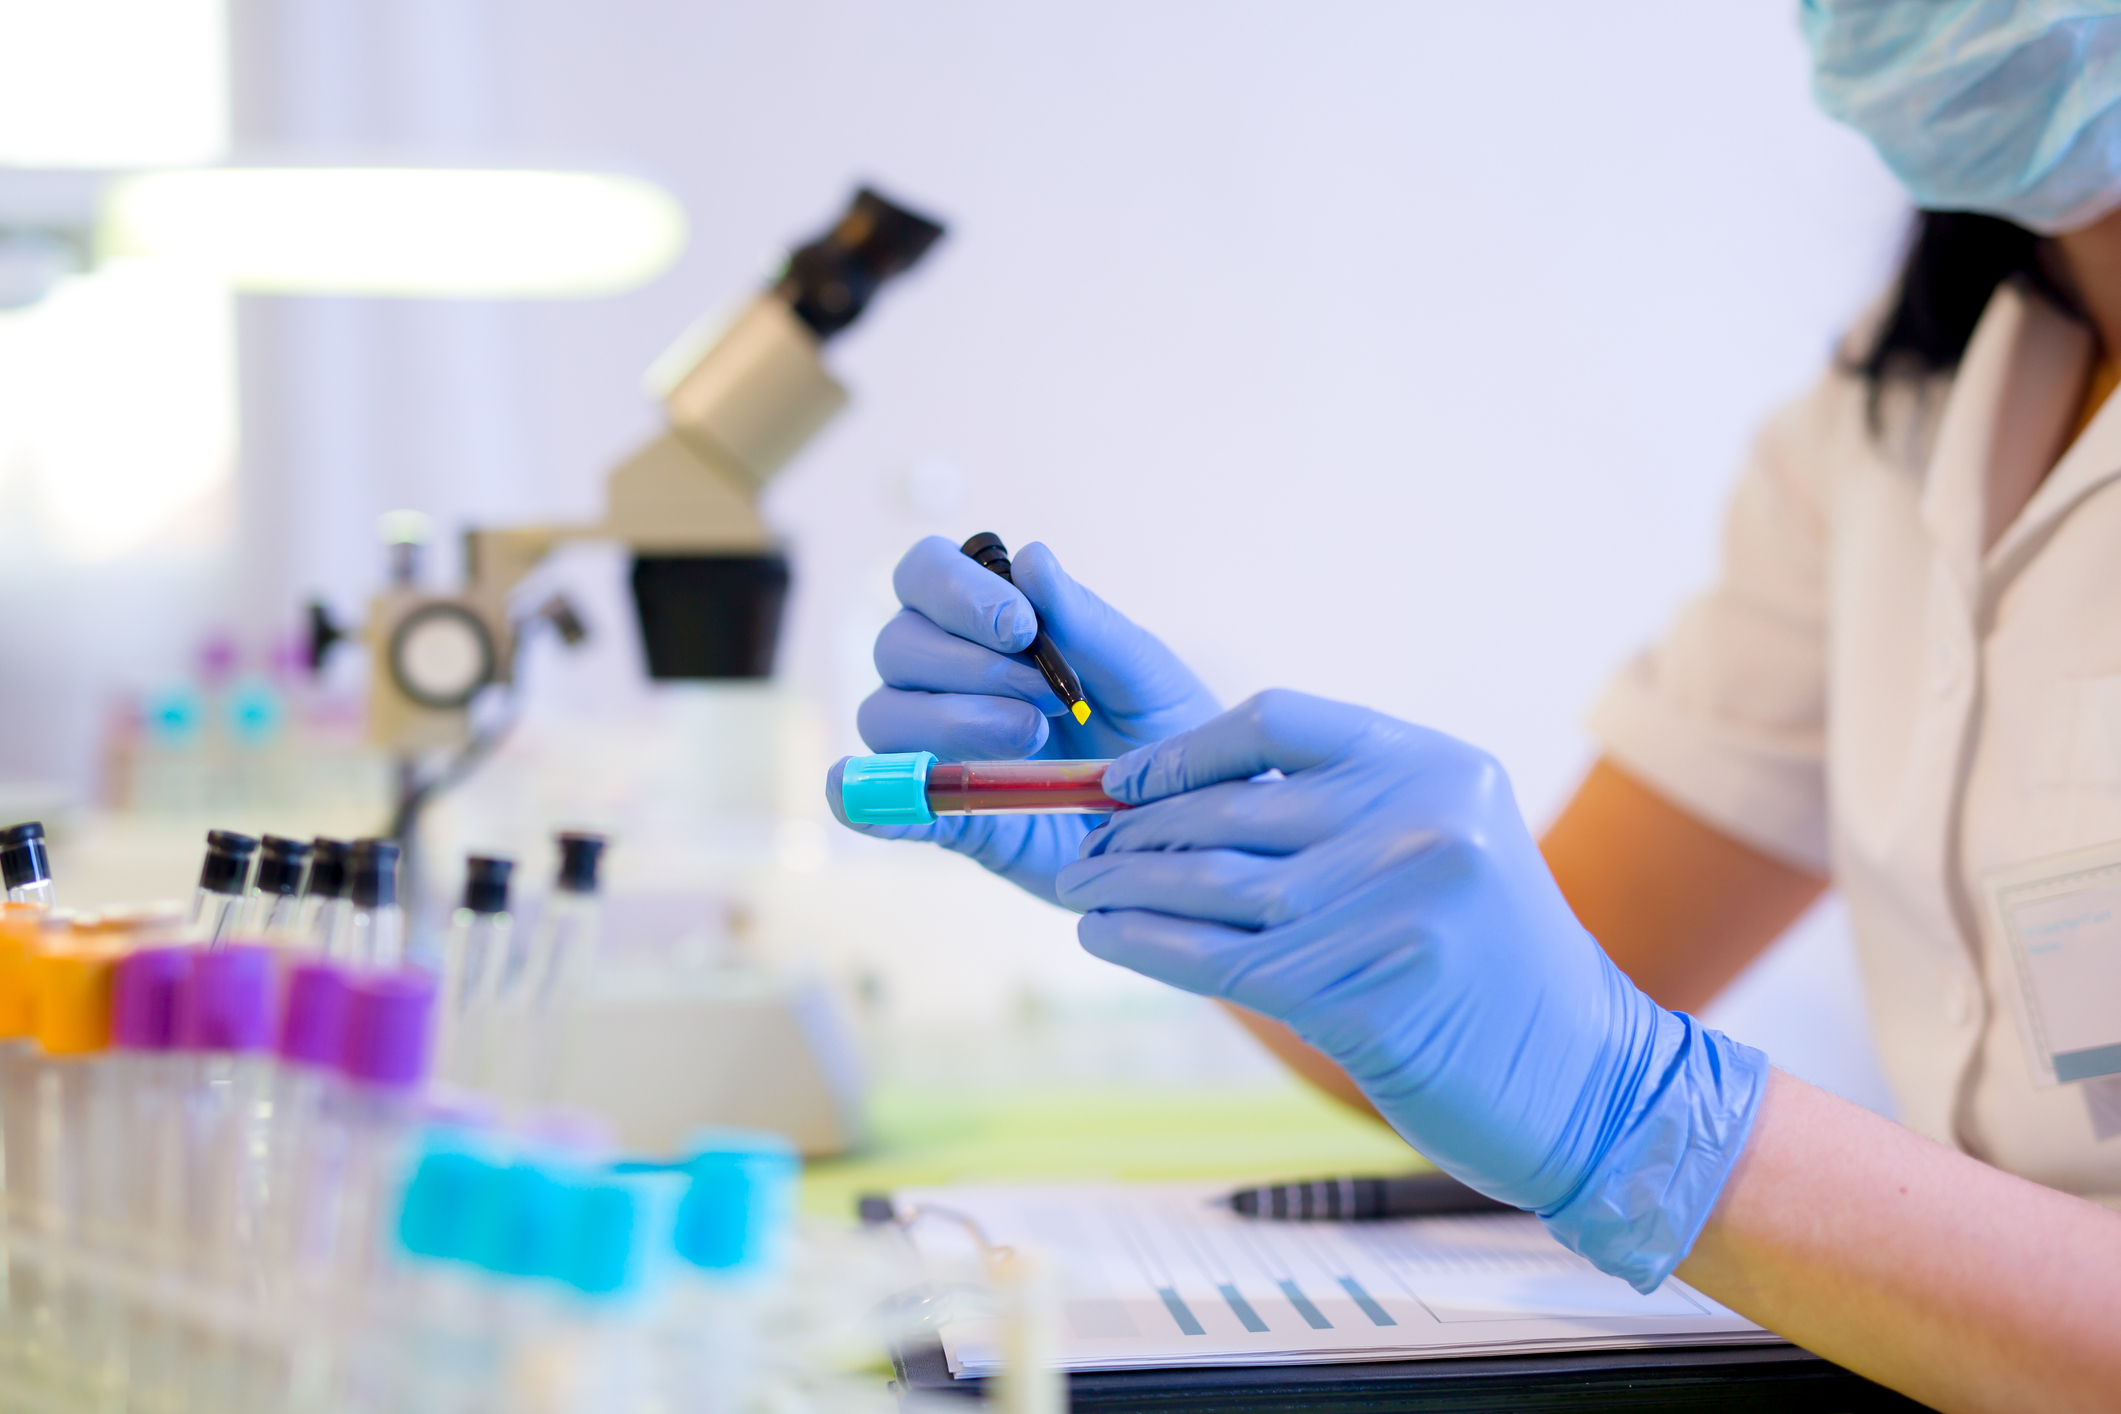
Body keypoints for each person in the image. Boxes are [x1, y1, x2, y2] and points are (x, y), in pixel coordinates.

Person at [830, 5, 2121, 1409]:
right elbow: (1489, 1017)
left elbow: (1582, 1064)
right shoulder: (1900, 410)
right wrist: (1207, 852)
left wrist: (1643, 1121)